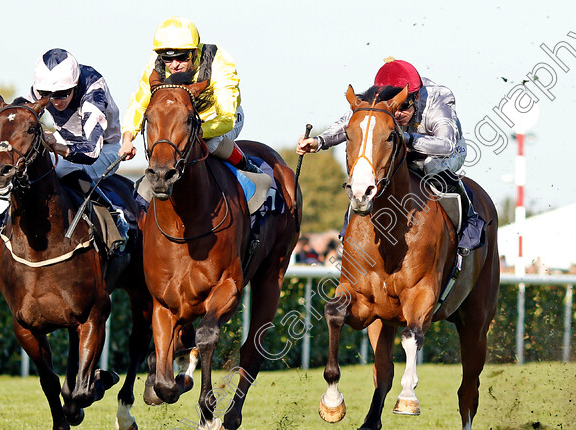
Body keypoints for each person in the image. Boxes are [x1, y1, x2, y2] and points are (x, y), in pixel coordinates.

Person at [296, 57, 484, 256]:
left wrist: (407, 138)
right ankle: (350, 224)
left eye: (403, 107)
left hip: (445, 150)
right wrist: (318, 142)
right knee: (370, 170)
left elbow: (446, 145)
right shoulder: (376, 99)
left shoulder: (440, 97)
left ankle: (470, 219)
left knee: (430, 165)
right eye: (394, 109)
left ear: (416, 98)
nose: (398, 113)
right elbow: (350, 123)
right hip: (399, 146)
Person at [0, 48, 130, 245]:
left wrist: (57, 147)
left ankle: (114, 218)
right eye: (48, 95)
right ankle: (6, 215)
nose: (55, 101)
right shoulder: (40, 88)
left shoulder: (93, 90)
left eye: (62, 94)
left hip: (105, 147)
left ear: (73, 86)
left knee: (62, 169)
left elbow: (90, 151)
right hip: (66, 139)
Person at [119, 16, 261, 173]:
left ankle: (250, 169)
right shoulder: (156, 64)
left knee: (211, 143)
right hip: (181, 123)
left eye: (182, 57)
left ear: (194, 52)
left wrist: (194, 131)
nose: (174, 64)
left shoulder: (219, 62)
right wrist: (127, 139)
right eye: (168, 58)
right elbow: (139, 106)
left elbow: (226, 118)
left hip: (219, 119)